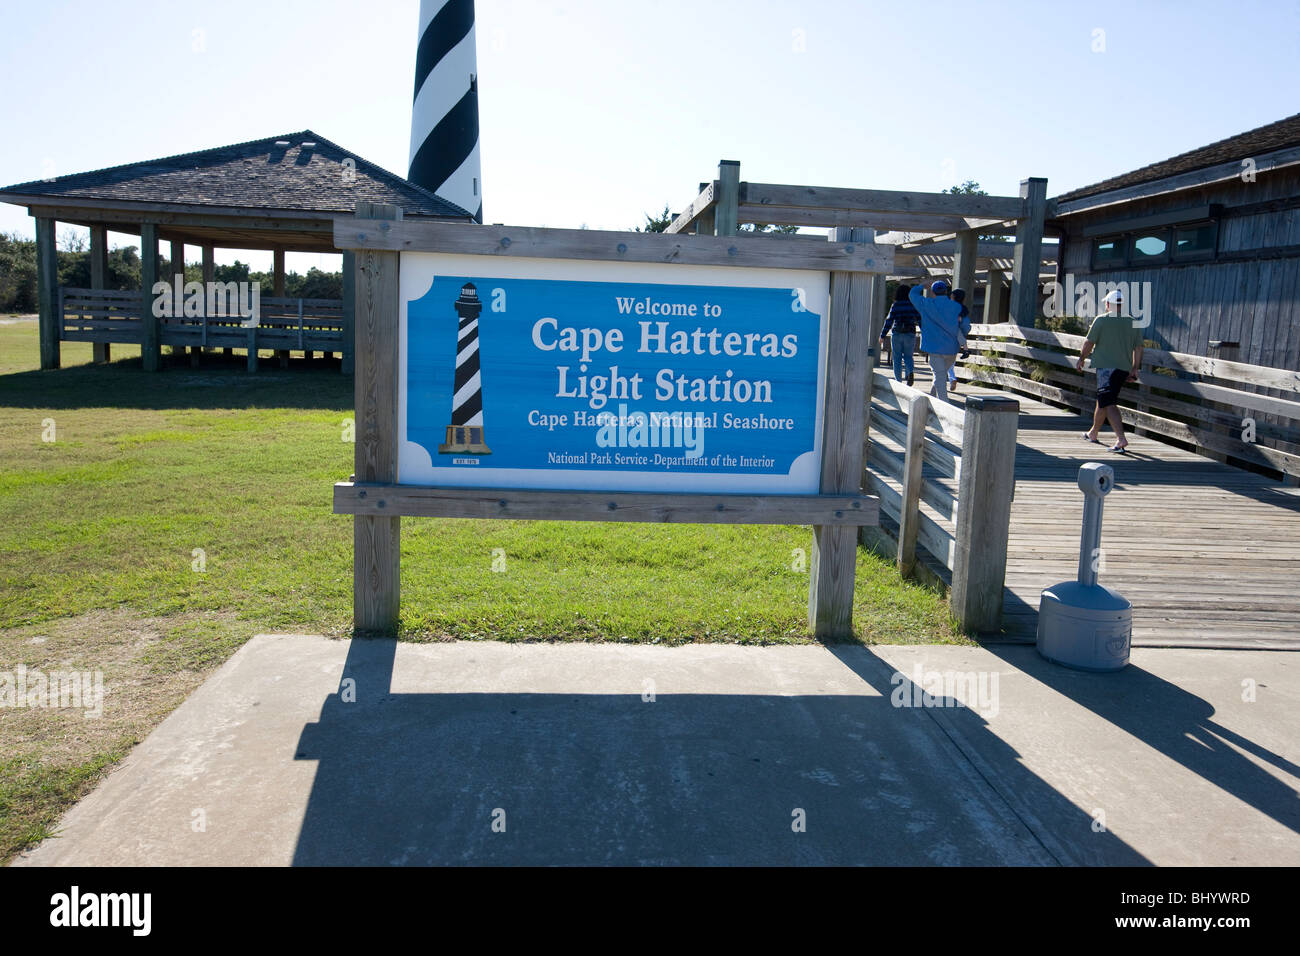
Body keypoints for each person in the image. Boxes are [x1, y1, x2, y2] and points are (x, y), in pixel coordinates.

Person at [1077, 288, 1145, 453]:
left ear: (1108, 304)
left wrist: (1081, 358)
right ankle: (1093, 433)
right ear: (1121, 305)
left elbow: (1089, 342)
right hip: (1123, 369)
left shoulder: (1101, 320)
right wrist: (1135, 368)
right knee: (1104, 399)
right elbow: (1139, 347)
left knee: (1109, 402)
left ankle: (1121, 439)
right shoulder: (1133, 321)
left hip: (1106, 369)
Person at [908, 279, 970, 404]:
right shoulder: (957, 307)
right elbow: (966, 327)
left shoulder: (926, 304)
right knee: (940, 376)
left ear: (933, 292)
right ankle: (931, 400)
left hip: (934, 348)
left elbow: (912, 295)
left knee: (939, 377)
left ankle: (945, 406)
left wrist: (921, 285)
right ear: (946, 292)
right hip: (952, 349)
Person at [879, 284, 920, 385]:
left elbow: (889, 321)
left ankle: (898, 382)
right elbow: (919, 319)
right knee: (908, 356)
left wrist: (882, 335)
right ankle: (909, 372)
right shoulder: (913, 305)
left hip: (897, 333)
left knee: (896, 358)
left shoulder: (895, 305)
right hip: (910, 333)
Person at [949, 288, 972, 394]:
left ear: (954, 297)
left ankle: (952, 378)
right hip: (959, 339)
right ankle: (952, 378)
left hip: (950, 337)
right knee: (951, 361)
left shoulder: (953, 308)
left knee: (945, 362)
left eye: (952, 295)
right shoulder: (965, 309)